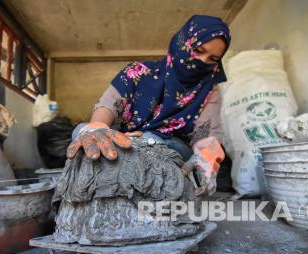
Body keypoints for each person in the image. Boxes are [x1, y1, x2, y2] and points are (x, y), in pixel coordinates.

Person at [67, 15, 231, 195]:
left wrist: (207, 156)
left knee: (150, 141)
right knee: (82, 130)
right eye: (198, 50)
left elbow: (206, 135)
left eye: (212, 59)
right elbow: (108, 105)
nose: (202, 62)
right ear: (182, 42)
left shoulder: (208, 90)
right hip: (129, 140)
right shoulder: (138, 72)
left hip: (171, 148)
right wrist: (96, 127)